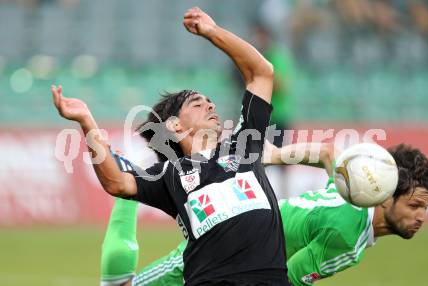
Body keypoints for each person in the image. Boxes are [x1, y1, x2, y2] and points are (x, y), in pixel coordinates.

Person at [53, 6, 291, 286]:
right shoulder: (169, 173)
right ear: (175, 126)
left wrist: (213, 33)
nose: (210, 105)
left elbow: (262, 72)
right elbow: (116, 183)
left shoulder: (244, 145)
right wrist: (86, 122)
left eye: (209, 101)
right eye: (197, 103)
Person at [101, 143, 428, 286]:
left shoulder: (347, 191)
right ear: (383, 198)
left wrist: (267, 157)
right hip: (222, 253)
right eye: (413, 205)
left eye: (425, 207)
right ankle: (127, 186)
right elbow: (287, 278)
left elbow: (325, 153)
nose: (421, 217)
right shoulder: (348, 241)